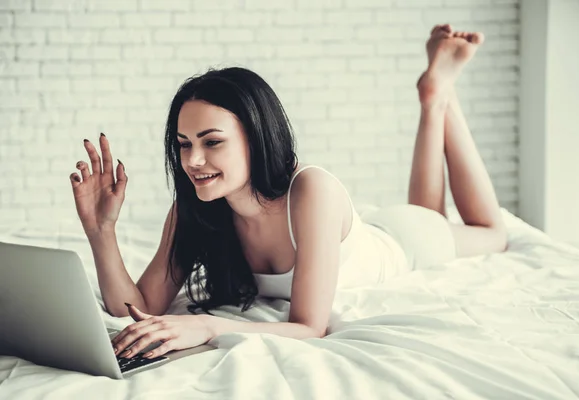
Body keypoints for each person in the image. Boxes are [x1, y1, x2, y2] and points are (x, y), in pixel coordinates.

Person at [69, 24, 507, 361]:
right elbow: (138, 307)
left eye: (212, 141)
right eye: (184, 145)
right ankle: (434, 99)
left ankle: (439, 97)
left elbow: (310, 327)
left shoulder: (310, 188)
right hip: (372, 229)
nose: (193, 161)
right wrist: (101, 229)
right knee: (427, 208)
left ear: (255, 138)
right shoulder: (196, 208)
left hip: (403, 242)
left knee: (485, 230)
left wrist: (208, 328)